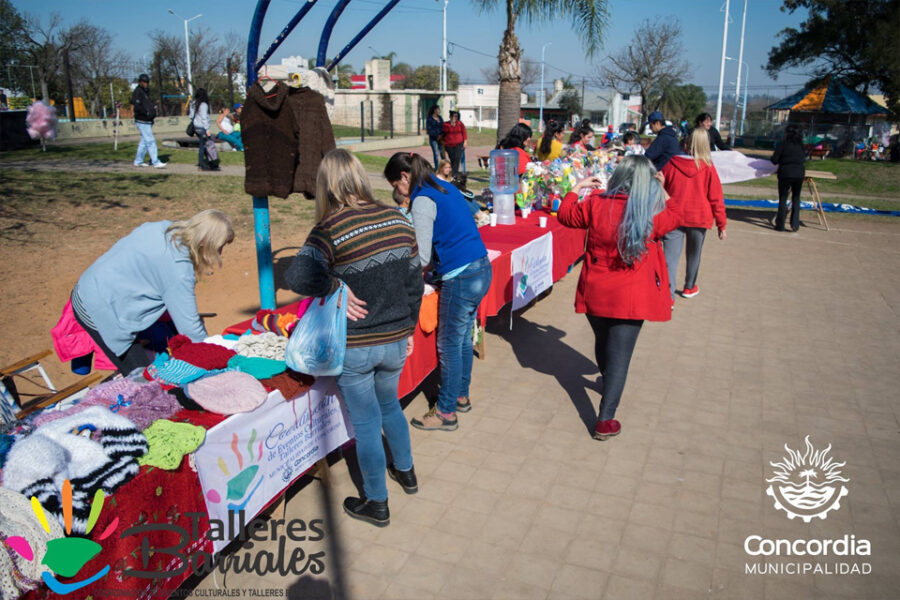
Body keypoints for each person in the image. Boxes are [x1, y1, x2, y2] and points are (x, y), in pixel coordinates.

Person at [285, 149, 423, 527]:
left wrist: (334, 285)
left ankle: (377, 503)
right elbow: (415, 280)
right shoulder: (398, 216)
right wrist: (409, 328)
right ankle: (407, 472)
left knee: (365, 425)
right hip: (395, 338)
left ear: (326, 184)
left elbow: (296, 277)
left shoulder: (329, 228)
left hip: (357, 347)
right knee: (391, 406)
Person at [557, 156, 680, 440]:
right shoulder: (649, 212)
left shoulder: (597, 203)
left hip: (597, 289)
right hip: (633, 295)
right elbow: (677, 216)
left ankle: (608, 384)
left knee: (603, 342)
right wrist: (664, 189)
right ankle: (605, 418)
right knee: (620, 356)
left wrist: (577, 186)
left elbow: (565, 214)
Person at [383, 152, 491, 431]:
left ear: (404, 177)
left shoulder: (422, 199)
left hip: (461, 276)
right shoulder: (443, 185)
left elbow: (420, 257)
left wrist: (394, 273)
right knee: (463, 338)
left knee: (449, 344)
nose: (399, 193)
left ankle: (445, 412)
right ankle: (460, 395)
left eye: (396, 186)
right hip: (480, 267)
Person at [70, 209, 234, 375]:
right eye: (219, 247)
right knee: (144, 381)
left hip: (92, 287)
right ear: (205, 242)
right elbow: (190, 329)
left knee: (163, 350)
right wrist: (215, 358)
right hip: (99, 309)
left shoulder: (163, 227)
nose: (220, 253)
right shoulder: (178, 271)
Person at [661, 128, 726, 302]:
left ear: (686, 143)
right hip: (699, 217)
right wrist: (722, 224)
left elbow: (661, 189)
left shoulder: (671, 164)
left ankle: (668, 296)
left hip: (673, 216)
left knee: (669, 258)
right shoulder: (708, 168)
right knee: (694, 255)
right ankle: (689, 287)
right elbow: (716, 198)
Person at [770, 123, 806, 232]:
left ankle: (780, 224)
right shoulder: (801, 145)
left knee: (783, 198)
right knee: (796, 197)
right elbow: (803, 159)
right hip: (799, 173)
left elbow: (774, 160)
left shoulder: (783, 144)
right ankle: (795, 224)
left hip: (785, 173)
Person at [131, 74, 166, 168]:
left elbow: (147, 104)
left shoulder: (146, 92)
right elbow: (137, 107)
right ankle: (155, 161)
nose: (146, 84)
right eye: (144, 82)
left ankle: (138, 161)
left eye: (147, 82)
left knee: (144, 142)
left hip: (147, 120)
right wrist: (146, 113)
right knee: (150, 140)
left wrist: (152, 110)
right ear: (140, 82)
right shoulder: (138, 92)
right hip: (142, 120)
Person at [189, 88, 216, 171]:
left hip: (196, 127)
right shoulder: (203, 105)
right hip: (202, 127)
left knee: (204, 145)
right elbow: (204, 118)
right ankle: (203, 164)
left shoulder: (193, 103)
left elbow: (190, 116)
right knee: (205, 146)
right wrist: (207, 129)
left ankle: (208, 162)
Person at [442, 111, 467, 175]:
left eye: (456, 116)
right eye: (453, 116)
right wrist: (451, 125)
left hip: (459, 144)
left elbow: (464, 132)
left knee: (457, 158)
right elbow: (444, 132)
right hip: (449, 144)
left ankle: (454, 174)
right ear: (450, 117)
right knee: (452, 159)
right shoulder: (445, 124)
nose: (454, 118)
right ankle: (452, 172)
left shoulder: (460, 123)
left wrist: (465, 141)